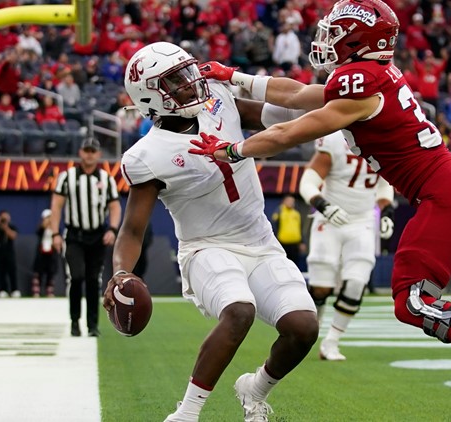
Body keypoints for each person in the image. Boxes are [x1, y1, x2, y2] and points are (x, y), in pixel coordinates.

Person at [193, 1, 451, 419]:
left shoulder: (357, 82)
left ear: (358, 39)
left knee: (411, 299)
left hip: (445, 191)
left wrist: (233, 149)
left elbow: (292, 130)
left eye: (337, 32)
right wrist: (235, 78)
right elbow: (298, 95)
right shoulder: (370, 75)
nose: (328, 39)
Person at [104, 42, 318, 422]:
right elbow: (133, 228)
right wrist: (121, 271)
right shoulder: (146, 155)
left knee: (302, 328)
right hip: (206, 247)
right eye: (176, 80)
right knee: (239, 312)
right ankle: (186, 413)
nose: (190, 82)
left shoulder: (217, 97)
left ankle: (255, 390)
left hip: (261, 243)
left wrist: (324, 101)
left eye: (187, 72)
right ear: (150, 95)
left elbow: (279, 114)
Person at [298, 131, 395, 361]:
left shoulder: (385, 139)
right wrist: (323, 205)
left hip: (362, 220)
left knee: (356, 284)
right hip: (329, 217)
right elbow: (308, 181)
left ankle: (331, 342)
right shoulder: (334, 139)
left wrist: (387, 211)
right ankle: (312, 330)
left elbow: (384, 184)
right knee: (321, 287)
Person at [50, 138, 121, 337]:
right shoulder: (67, 177)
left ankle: (92, 325)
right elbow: (56, 205)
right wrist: (55, 233)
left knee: (93, 280)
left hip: (97, 235)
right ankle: (74, 321)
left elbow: (115, 206)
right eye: (86, 150)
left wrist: (112, 229)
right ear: (81, 153)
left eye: (93, 151)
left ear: (98, 154)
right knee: (77, 276)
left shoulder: (106, 179)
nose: (89, 154)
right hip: (75, 235)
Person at [0, 210, 20, 298]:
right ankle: (2, 290)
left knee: (12, 271)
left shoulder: (11, 226)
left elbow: (13, 236)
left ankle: (14, 290)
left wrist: (6, 227)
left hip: (9, 252)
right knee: (1, 272)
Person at [270, 194, 303, 266]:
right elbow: (274, 226)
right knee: (283, 264)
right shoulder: (279, 211)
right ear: (284, 201)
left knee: (295, 265)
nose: (291, 203)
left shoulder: (296, 213)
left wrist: (302, 242)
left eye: (292, 201)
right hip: (283, 243)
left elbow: (300, 228)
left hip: (295, 244)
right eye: (289, 201)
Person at [32, 209, 58, 298]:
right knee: (38, 272)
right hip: (41, 254)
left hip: (51, 253)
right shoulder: (41, 229)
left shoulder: (55, 229)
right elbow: (38, 232)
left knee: (50, 272)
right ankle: (36, 291)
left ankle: (49, 292)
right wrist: (45, 224)